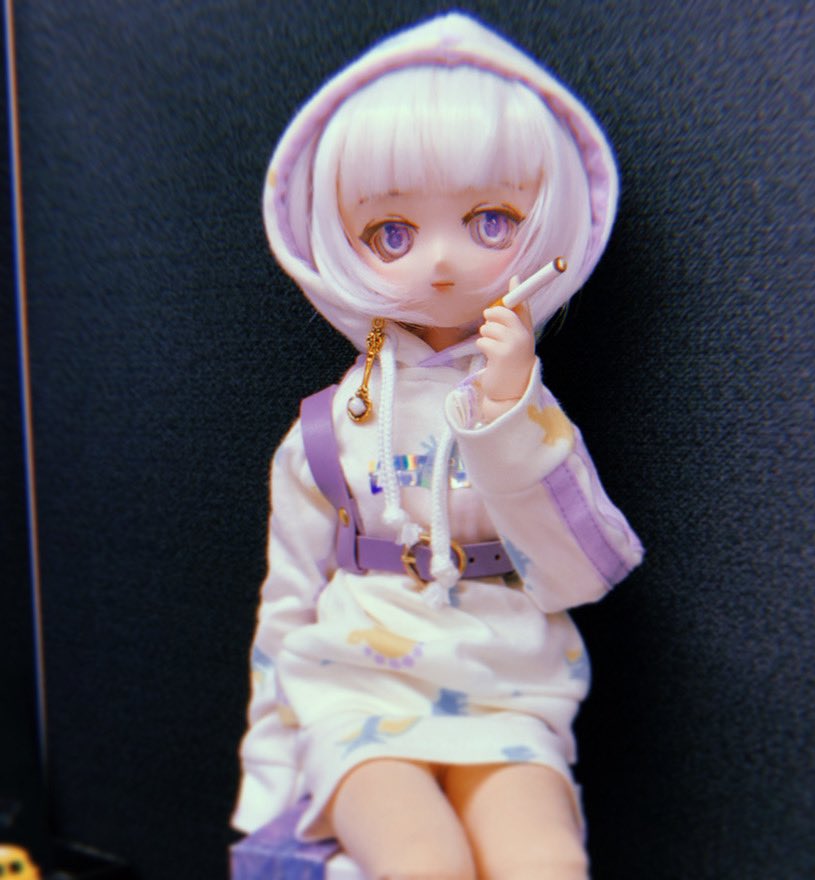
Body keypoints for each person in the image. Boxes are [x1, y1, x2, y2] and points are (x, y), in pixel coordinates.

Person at [233, 13, 643, 880]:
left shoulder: (527, 409)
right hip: (356, 694)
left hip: (510, 692)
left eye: (492, 221)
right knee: (425, 863)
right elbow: (288, 600)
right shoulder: (328, 428)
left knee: (544, 862)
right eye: (392, 233)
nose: (444, 263)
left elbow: (579, 572)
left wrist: (508, 410)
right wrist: (267, 772)